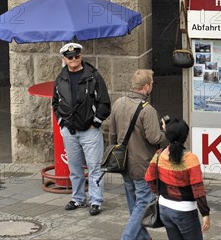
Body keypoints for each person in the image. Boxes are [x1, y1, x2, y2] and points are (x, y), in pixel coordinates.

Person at [52, 42, 111, 215]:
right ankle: (78, 198)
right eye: (69, 57)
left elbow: (104, 102)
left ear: (81, 56)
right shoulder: (60, 78)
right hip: (69, 131)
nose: (73, 59)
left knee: (94, 167)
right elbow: (55, 103)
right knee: (75, 168)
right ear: (64, 59)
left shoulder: (93, 76)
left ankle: (96, 201)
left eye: (76, 56)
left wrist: (96, 122)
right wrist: (62, 123)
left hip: (90, 131)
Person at [108, 69, 166, 240]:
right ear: (146, 86)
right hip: (142, 165)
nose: (152, 87)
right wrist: (165, 130)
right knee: (143, 204)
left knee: (134, 205)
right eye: (152, 84)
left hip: (123, 162)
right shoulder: (148, 110)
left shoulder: (118, 103)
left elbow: (112, 134)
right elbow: (154, 137)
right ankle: (127, 237)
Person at [145, 118, 211, 240]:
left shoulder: (159, 154)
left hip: (164, 208)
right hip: (185, 211)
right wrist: (205, 213)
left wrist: (159, 192)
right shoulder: (190, 159)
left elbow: (149, 178)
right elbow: (198, 189)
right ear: (185, 137)